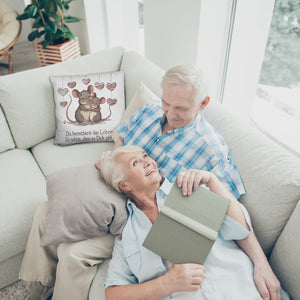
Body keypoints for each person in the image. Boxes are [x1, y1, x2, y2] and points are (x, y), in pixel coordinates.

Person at [19, 64, 280, 299]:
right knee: (48, 208)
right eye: (167, 102)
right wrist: (113, 158)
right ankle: (36, 283)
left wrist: (261, 263)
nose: (169, 112)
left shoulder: (211, 151)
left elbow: (229, 211)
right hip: (120, 184)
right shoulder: (151, 110)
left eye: (180, 108)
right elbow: (123, 137)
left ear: (203, 104)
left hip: (142, 211)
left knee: (74, 253)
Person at [100, 145, 288, 300]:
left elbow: (240, 229)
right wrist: (166, 283)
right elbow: (113, 293)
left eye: (145, 156)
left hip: (243, 290)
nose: (148, 162)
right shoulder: (128, 236)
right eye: (136, 162)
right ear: (124, 185)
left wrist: (212, 181)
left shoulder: (189, 188)